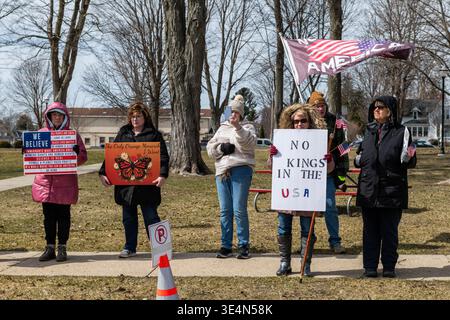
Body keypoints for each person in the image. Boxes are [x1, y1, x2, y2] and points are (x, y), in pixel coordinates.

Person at [268, 103, 334, 276]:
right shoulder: (283, 140)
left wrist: (328, 160)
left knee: (307, 229)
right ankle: (285, 263)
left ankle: (305, 264)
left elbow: (328, 170)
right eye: (296, 121)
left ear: (309, 122)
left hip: (308, 194)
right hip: (287, 193)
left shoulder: (318, 141)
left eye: (303, 121)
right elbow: (273, 168)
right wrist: (273, 156)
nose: (299, 124)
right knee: (283, 228)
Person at [355, 96, 416, 278]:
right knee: (370, 231)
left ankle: (389, 266)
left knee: (389, 232)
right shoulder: (368, 131)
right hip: (369, 189)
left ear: (390, 111)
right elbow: (361, 157)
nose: (376, 110)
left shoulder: (402, 132)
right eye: (374, 107)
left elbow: (410, 161)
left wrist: (409, 157)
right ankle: (370, 267)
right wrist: (359, 160)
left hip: (391, 190)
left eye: (380, 107)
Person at [98, 102, 169, 258]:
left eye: (138, 116)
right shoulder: (123, 133)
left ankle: (160, 249)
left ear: (145, 117)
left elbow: (163, 156)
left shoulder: (154, 135)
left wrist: (163, 175)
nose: (135, 119)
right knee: (128, 218)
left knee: (151, 216)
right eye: (133, 116)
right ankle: (130, 247)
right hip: (126, 186)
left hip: (147, 186)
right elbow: (112, 156)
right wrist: (103, 173)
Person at [32, 102, 87, 262]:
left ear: (64, 117)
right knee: (48, 217)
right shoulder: (41, 133)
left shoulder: (72, 135)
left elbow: (83, 157)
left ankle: (62, 248)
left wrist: (78, 154)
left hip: (65, 184)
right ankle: (49, 248)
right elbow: (33, 158)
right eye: (54, 114)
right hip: (46, 184)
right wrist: (27, 152)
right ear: (49, 117)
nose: (56, 117)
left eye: (59, 115)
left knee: (64, 217)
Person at [207, 94, 257, 259]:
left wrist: (238, 128)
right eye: (231, 111)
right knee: (225, 210)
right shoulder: (221, 128)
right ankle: (226, 245)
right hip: (222, 171)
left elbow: (248, 144)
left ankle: (243, 245)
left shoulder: (248, 127)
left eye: (236, 112)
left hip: (241, 170)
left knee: (239, 209)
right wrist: (222, 148)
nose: (233, 115)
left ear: (241, 114)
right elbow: (210, 149)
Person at [307, 91, 348, 254]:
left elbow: (343, 148)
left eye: (322, 105)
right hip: (308, 174)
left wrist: (341, 175)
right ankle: (308, 239)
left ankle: (335, 240)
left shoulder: (335, 122)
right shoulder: (305, 120)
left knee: (330, 207)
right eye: (317, 105)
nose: (320, 108)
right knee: (308, 209)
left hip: (328, 173)